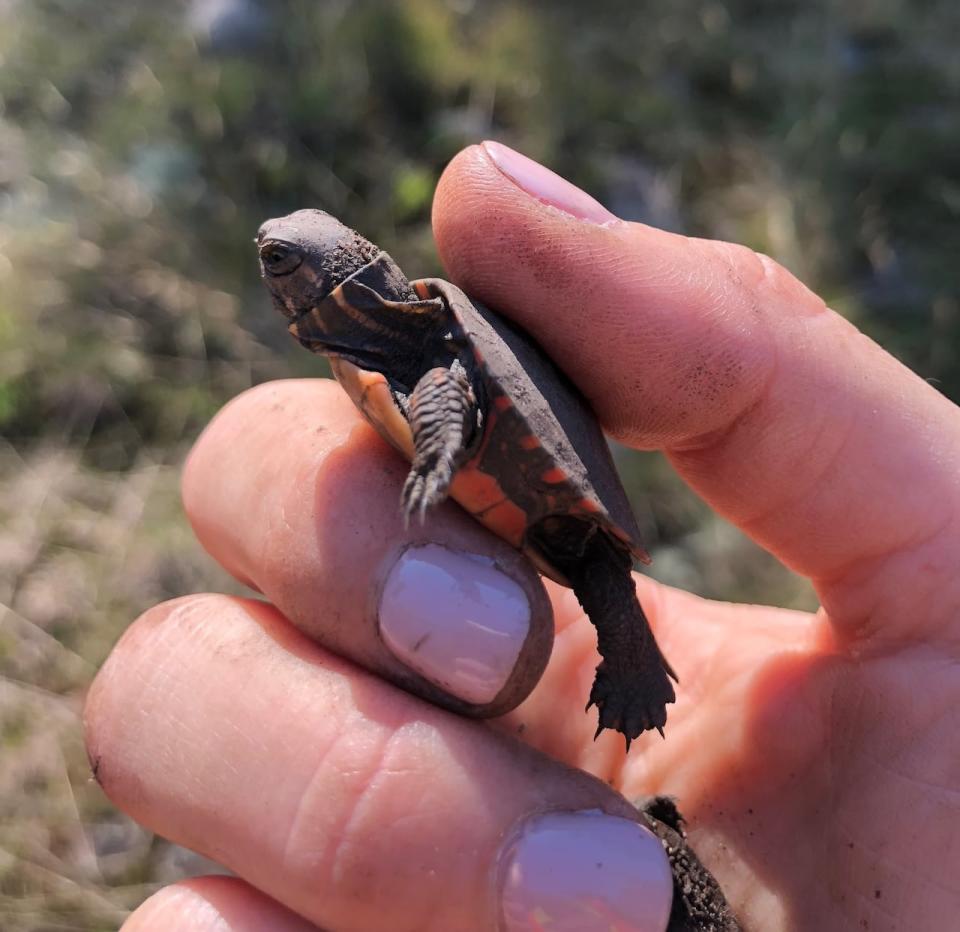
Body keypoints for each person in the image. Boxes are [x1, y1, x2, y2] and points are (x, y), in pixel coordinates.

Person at [86, 143, 960, 931]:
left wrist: (439, 450)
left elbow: (448, 385)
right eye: (276, 262)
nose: (270, 269)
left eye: (281, 263)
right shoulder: (380, 352)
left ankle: (635, 669)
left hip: (545, 486)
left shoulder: (425, 341)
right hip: (508, 538)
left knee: (600, 574)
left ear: (338, 283)